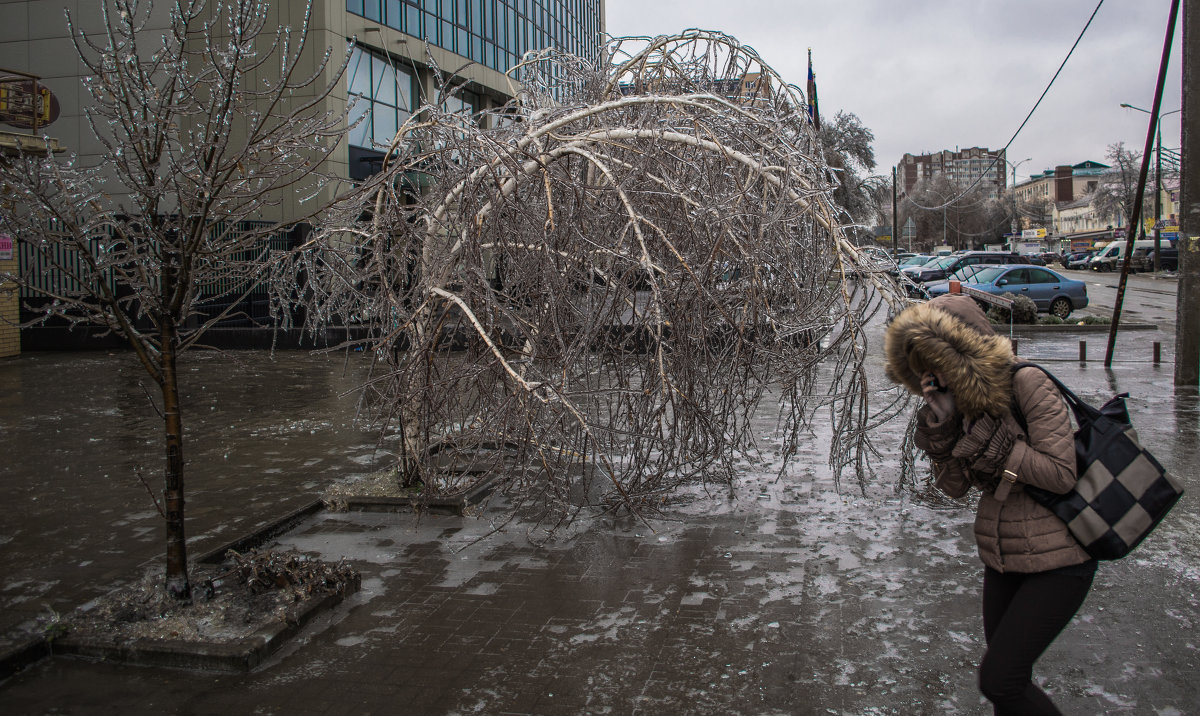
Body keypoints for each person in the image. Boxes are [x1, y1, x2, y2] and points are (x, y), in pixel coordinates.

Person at [883, 294, 1096, 715]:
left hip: (1060, 560)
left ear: (964, 352)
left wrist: (1000, 450)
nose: (933, 373)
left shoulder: (1027, 382)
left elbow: (1061, 473)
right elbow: (956, 488)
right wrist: (944, 425)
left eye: (938, 359)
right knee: (1008, 690)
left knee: (1001, 680)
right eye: (924, 365)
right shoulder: (961, 405)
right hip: (1003, 558)